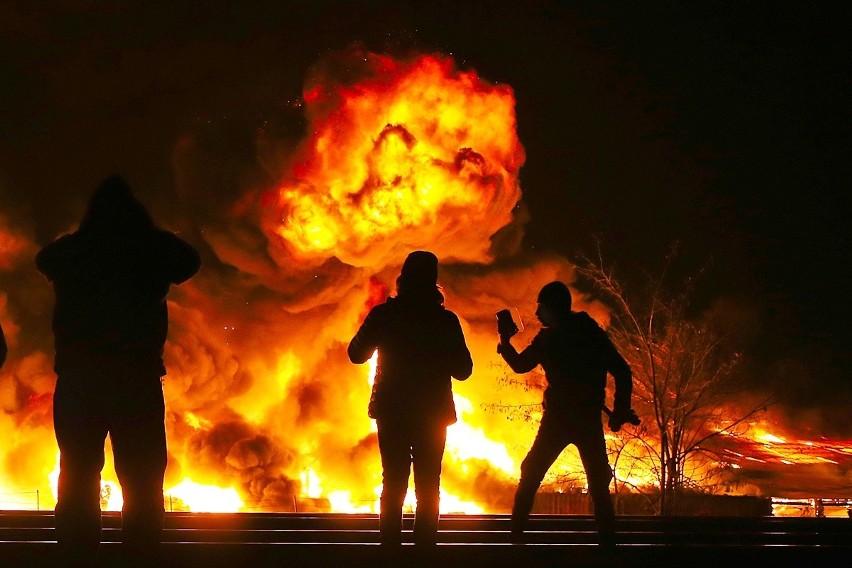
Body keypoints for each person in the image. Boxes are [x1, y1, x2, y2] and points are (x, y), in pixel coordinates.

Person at [36, 175, 201, 566]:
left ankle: (77, 556)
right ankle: (140, 555)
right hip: (135, 380)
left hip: (80, 380)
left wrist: (88, 239)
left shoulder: (74, 253)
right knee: (143, 477)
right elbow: (189, 260)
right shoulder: (147, 252)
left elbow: (45, 260)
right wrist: (146, 233)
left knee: (77, 473)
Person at [348, 250, 473, 546]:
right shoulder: (445, 321)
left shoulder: (384, 315)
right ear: (434, 283)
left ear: (402, 280)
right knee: (429, 485)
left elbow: (356, 354)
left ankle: (390, 549)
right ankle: (425, 550)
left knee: (393, 482)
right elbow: (464, 370)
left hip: (393, 410)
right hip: (433, 412)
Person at [497, 281, 634, 547]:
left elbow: (521, 365)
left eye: (541, 307)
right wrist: (619, 409)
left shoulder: (550, 338)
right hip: (586, 418)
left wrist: (505, 342)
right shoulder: (590, 333)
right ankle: (608, 546)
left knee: (531, 472)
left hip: (558, 420)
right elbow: (622, 371)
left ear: (553, 308)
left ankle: (514, 542)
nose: (537, 314)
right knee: (597, 484)